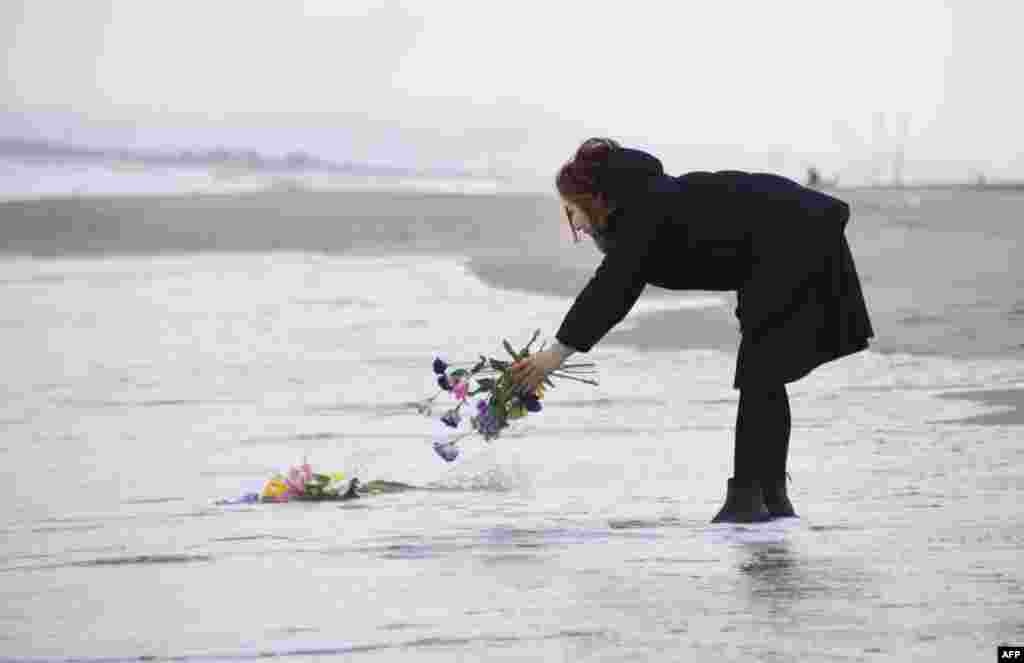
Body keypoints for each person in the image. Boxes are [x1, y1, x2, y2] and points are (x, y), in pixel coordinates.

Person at [509, 138, 874, 523]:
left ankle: (747, 500)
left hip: (793, 235)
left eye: (571, 210)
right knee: (764, 375)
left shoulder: (644, 210)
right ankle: (770, 497)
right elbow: (619, 280)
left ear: (596, 197)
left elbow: (612, 290)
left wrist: (554, 355)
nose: (574, 223)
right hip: (788, 238)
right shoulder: (643, 205)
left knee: (760, 374)